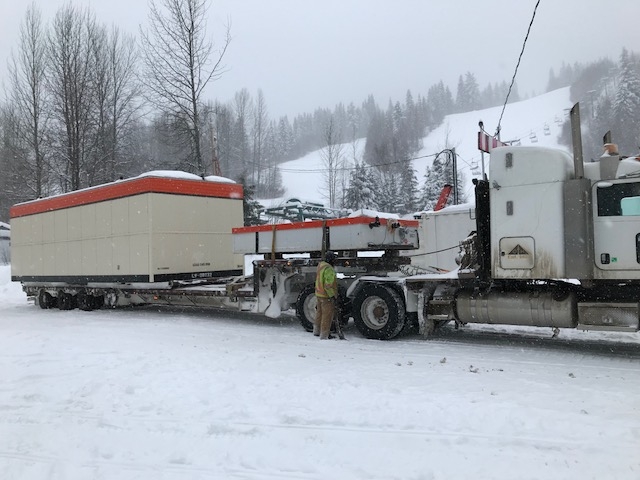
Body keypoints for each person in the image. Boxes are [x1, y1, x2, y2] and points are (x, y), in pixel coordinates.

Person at [314, 250, 338, 339]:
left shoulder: (321, 266)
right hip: (326, 295)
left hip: (319, 294)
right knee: (327, 316)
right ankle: (324, 335)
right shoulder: (329, 269)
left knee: (319, 313)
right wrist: (332, 296)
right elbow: (329, 285)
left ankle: (316, 331)